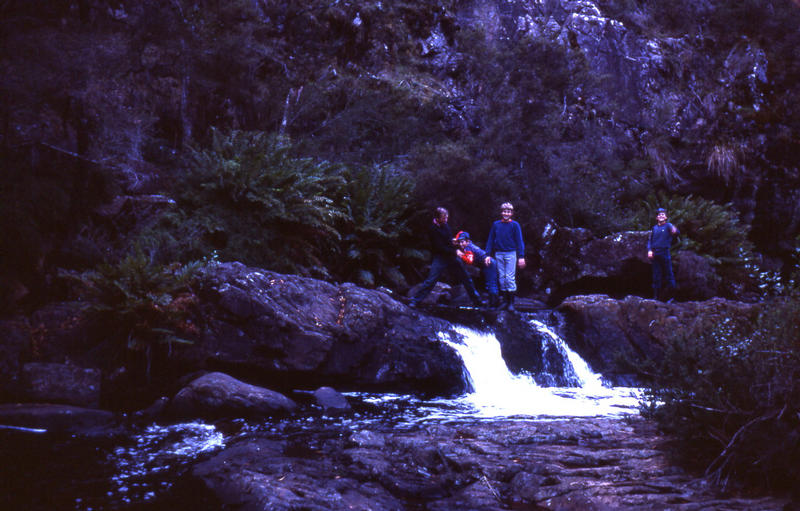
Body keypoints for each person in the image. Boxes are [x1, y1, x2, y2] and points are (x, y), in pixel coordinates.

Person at [409, 207, 483, 308]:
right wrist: (455, 251)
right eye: (444, 218)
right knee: (431, 280)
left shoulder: (446, 226)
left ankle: (477, 301)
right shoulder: (432, 229)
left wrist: (455, 243)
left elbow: (448, 240)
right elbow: (439, 247)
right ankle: (415, 301)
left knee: (466, 277)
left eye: (447, 217)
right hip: (440, 257)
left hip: (451, 256)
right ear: (437, 218)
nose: (446, 220)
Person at [486, 202, 526, 311]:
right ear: (501, 212)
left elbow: (519, 241)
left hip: (511, 253)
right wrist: (487, 254)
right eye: (504, 211)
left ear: (511, 213)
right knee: (502, 278)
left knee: (509, 278)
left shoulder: (515, 225)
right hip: (499, 253)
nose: (506, 213)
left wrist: (521, 256)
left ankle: (511, 303)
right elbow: (490, 239)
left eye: (508, 211)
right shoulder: (496, 225)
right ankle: (504, 301)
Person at [454, 231, 501, 308]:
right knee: (489, 283)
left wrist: (460, 255)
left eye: (462, 242)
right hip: (486, 264)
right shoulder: (467, 246)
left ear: (468, 241)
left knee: (491, 283)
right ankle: (493, 302)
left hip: (489, 263)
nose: (460, 244)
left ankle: (494, 304)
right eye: (459, 242)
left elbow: (469, 261)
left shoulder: (468, 248)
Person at [647, 207, 679, 301]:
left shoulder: (668, 226)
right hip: (655, 254)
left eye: (663, 214)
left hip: (665, 253)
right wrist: (649, 250)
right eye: (659, 214)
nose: (661, 215)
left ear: (666, 217)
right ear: (657, 218)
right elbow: (650, 240)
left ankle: (672, 298)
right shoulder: (654, 228)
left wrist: (675, 230)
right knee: (656, 276)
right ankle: (656, 297)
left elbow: (676, 232)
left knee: (669, 275)